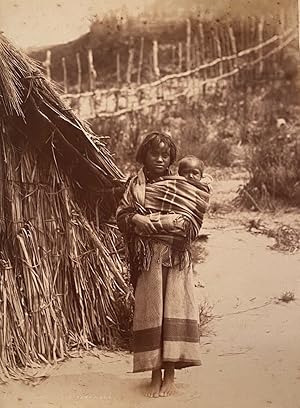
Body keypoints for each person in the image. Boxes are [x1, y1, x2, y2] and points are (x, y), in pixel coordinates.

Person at [116, 131, 210, 398]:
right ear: (143, 154)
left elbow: (192, 220)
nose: (159, 159)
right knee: (151, 311)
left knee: (174, 309)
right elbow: (121, 215)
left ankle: (170, 375)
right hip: (149, 257)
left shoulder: (180, 183)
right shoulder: (135, 185)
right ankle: (154, 374)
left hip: (177, 256)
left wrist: (157, 223)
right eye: (154, 153)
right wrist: (137, 220)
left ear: (171, 158)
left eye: (165, 155)